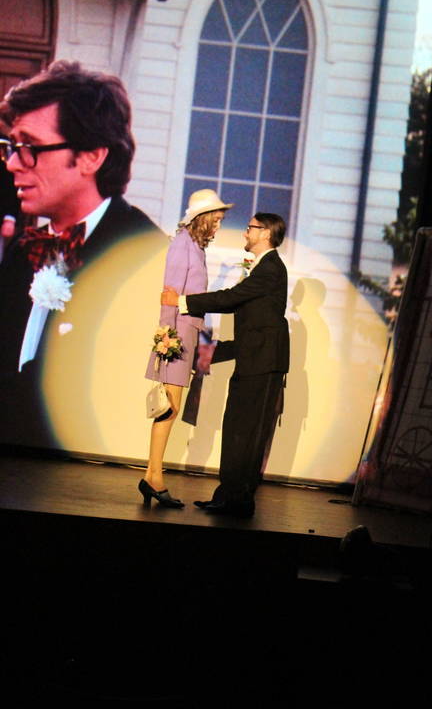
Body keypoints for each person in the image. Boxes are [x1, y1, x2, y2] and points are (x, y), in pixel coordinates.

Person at [0, 60, 166, 448]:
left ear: (92, 156)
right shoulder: (23, 252)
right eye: (11, 147)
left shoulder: (147, 262)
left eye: (30, 148)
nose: (12, 163)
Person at [161, 212, 289, 517]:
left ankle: (240, 500)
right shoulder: (262, 268)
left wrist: (183, 302)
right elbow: (249, 323)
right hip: (252, 360)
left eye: (250, 228)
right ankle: (228, 495)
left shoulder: (271, 268)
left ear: (266, 233)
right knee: (235, 428)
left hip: (264, 364)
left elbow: (233, 298)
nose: (245, 232)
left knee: (248, 432)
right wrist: (212, 353)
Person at [139, 188, 231, 508]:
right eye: (216, 220)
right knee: (168, 407)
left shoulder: (195, 247)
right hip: (176, 336)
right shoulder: (182, 244)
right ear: (202, 218)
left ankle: (152, 477)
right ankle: (154, 478)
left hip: (188, 335)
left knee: (172, 408)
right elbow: (170, 294)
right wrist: (167, 340)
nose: (218, 226)